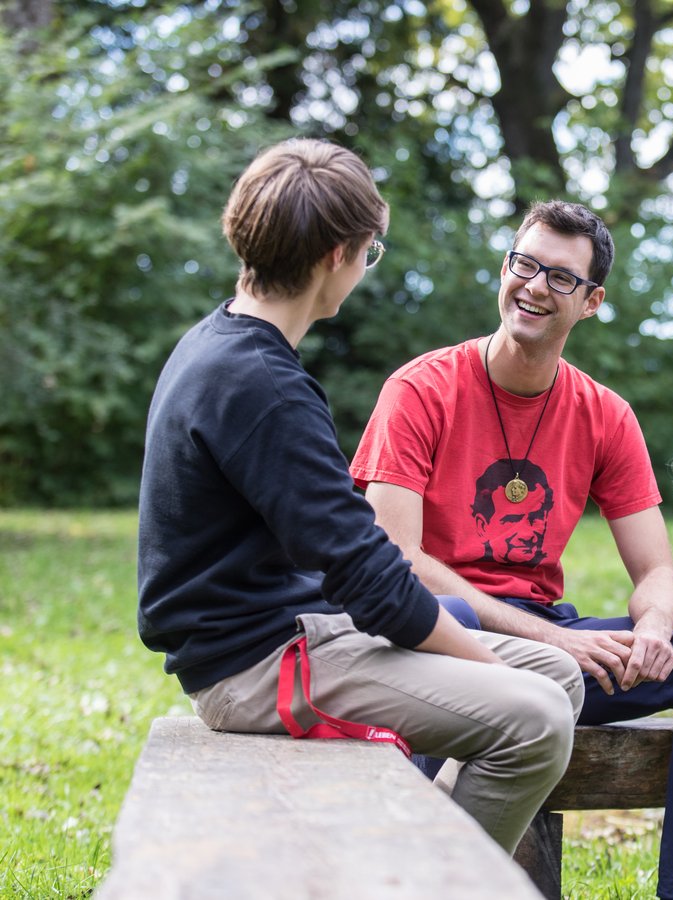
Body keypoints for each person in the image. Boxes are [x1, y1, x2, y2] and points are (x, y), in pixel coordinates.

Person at [136, 138, 585, 856]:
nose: (364, 268)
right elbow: (372, 580)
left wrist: (486, 661)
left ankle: (425, 835)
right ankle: (431, 877)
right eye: (369, 251)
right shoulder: (261, 386)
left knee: (557, 673)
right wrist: (490, 668)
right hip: (256, 667)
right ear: (334, 257)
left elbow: (344, 557)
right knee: (537, 716)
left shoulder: (222, 344)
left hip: (297, 631)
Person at [350, 200, 673, 900]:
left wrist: (657, 630)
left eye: (561, 278)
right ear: (505, 268)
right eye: (525, 264)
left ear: (592, 302)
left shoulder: (604, 414)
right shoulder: (420, 389)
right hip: (435, 635)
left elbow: (656, 572)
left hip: (551, 644)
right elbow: (398, 560)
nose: (535, 286)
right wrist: (550, 640)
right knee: (464, 621)